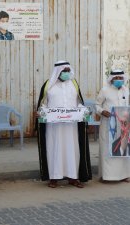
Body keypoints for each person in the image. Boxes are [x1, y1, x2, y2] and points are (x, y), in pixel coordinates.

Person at [36, 60, 92, 188]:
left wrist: (82, 110)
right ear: (58, 71)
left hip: (71, 126)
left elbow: (79, 102)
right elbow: (43, 104)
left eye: (68, 70)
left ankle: (73, 177)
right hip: (54, 126)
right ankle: (54, 178)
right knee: (54, 148)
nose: (66, 73)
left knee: (72, 149)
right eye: (64, 71)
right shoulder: (48, 85)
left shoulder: (73, 84)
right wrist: (40, 113)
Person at [96, 69, 130, 181]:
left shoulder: (126, 90)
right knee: (107, 149)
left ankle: (123, 175)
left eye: (121, 78)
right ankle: (107, 176)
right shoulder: (105, 90)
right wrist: (102, 112)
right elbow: (97, 105)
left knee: (123, 149)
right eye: (116, 78)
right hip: (108, 125)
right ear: (112, 79)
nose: (119, 80)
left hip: (123, 126)